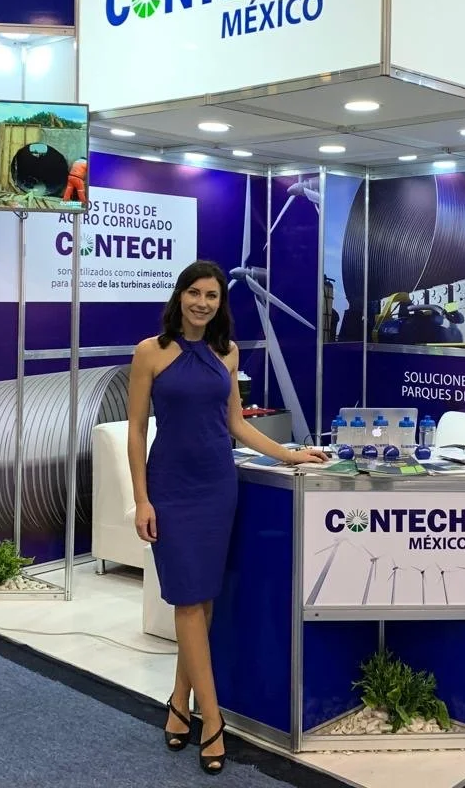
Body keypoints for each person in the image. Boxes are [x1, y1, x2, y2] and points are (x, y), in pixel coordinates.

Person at [127, 260, 326, 775]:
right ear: (180, 296)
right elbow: (134, 434)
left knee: (202, 602)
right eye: (194, 293)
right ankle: (212, 722)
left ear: (220, 303)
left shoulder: (227, 352)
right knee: (188, 601)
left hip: (218, 487)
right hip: (171, 489)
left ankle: (178, 704)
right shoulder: (150, 352)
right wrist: (142, 499)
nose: (202, 303)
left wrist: (290, 454)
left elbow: (235, 422)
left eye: (212, 295)